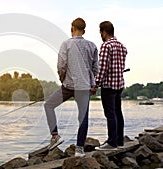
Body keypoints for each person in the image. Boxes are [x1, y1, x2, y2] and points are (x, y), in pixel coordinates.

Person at [44, 17, 99, 157]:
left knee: (48, 105)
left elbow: (61, 66)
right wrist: (93, 84)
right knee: (83, 117)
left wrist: (63, 79)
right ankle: (79, 149)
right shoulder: (92, 46)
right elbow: (95, 69)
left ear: (71, 28)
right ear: (84, 31)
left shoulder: (66, 44)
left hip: (68, 86)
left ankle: (55, 136)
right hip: (84, 87)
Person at [94, 21, 128, 150]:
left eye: (100, 32)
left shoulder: (106, 46)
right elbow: (121, 66)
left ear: (104, 32)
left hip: (108, 86)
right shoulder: (122, 46)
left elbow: (102, 68)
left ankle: (111, 142)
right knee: (118, 112)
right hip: (119, 84)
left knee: (110, 114)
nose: (100, 35)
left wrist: (95, 84)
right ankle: (119, 141)